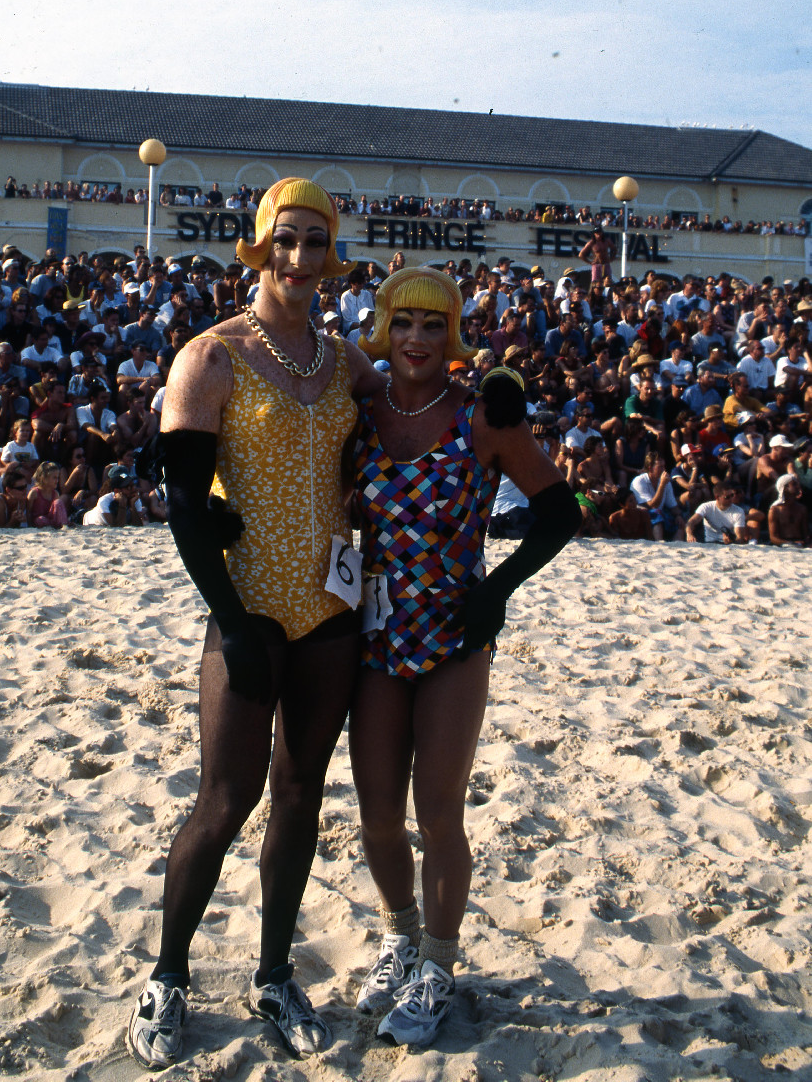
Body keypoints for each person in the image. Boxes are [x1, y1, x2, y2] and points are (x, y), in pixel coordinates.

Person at [127, 178, 382, 1068]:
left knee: (303, 792)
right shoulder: (213, 356)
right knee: (226, 800)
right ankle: (166, 976)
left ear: (333, 252)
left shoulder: (345, 360)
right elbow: (186, 509)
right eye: (288, 240)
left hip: (332, 608)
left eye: (318, 242)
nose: (303, 259)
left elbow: (402, 432)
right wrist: (228, 619)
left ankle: (274, 974)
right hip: (248, 605)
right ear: (261, 245)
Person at [348, 268, 579, 1046]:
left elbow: (559, 512)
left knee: (437, 809)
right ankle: (399, 937)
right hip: (375, 634)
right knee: (377, 812)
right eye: (403, 324)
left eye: (432, 326)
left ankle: (438, 969)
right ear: (385, 329)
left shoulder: (483, 420)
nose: (416, 340)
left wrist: (501, 587)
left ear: (452, 335)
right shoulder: (361, 411)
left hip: (455, 633)